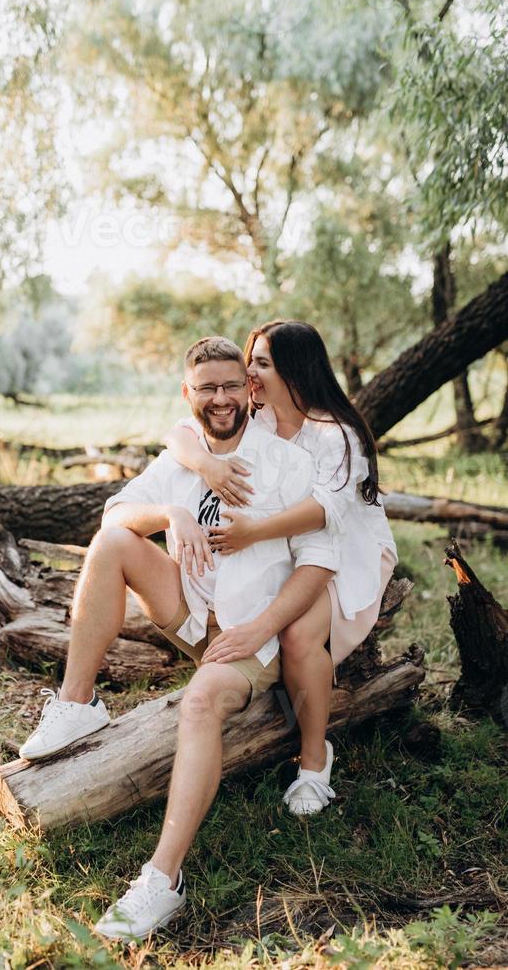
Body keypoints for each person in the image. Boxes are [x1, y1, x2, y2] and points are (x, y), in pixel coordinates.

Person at [19, 336, 337, 940]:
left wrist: (258, 631)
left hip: (252, 635)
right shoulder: (182, 462)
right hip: (193, 613)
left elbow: (318, 564)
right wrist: (171, 516)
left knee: (198, 702)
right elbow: (115, 513)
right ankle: (77, 704)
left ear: (249, 389)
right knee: (113, 542)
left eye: (229, 385)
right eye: (206, 388)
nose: (220, 399)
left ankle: (162, 882)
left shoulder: (289, 463)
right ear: (187, 395)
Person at [165, 320, 397, 817]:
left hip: (344, 550)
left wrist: (252, 532)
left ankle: (314, 761)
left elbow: (324, 513)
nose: (249, 372)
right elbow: (182, 431)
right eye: (250, 359)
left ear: (295, 369)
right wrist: (207, 468)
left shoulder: (338, 434)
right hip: (285, 549)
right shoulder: (261, 418)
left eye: (262, 363)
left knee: (297, 636)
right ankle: (244, 678)